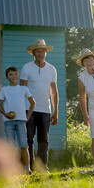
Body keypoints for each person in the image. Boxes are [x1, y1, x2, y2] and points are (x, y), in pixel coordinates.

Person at [20, 39, 59, 172]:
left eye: (43, 51)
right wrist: (21, 111)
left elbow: (54, 92)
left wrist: (55, 111)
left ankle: (42, 167)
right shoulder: (27, 67)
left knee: (44, 141)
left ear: (46, 52)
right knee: (28, 139)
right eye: (38, 51)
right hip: (28, 109)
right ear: (33, 53)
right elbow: (22, 90)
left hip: (45, 110)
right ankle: (28, 167)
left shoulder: (51, 69)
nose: (41, 53)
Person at [0, 66, 36, 174]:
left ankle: (27, 169)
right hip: (8, 122)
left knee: (24, 145)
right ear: (7, 77)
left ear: (18, 75)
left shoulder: (24, 89)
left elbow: (33, 103)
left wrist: (27, 117)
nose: (13, 76)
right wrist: (6, 114)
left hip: (21, 121)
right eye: (10, 74)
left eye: (15, 74)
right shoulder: (4, 90)